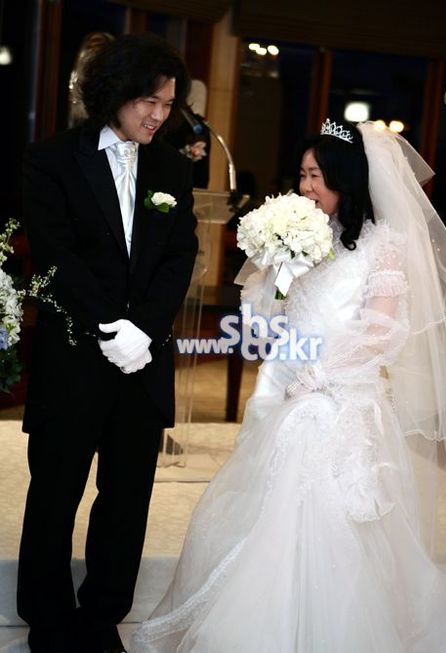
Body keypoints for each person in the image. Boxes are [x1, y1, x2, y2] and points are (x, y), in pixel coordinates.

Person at [131, 121, 446, 652]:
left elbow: (382, 331)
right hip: (286, 382)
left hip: (340, 393)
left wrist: (322, 376)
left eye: (317, 176)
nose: (305, 187)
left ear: (345, 181)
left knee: (317, 487)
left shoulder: (382, 246)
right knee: (265, 498)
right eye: (302, 175)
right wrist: (277, 272)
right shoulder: (302, 234)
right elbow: (264, 324)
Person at [17, 34, 198, 653]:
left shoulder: (173, 167)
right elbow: (57, 254)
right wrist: (108, 328)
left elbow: (179, 256)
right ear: (116, 93)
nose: (159, 115)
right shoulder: (52, 160)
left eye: (168, 104)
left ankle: (101, 619)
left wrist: (144, 330)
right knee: (55, 493)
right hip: (74, 358)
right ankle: (47, 620)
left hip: (144, 361)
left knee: (126, 499)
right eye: (150, 101)